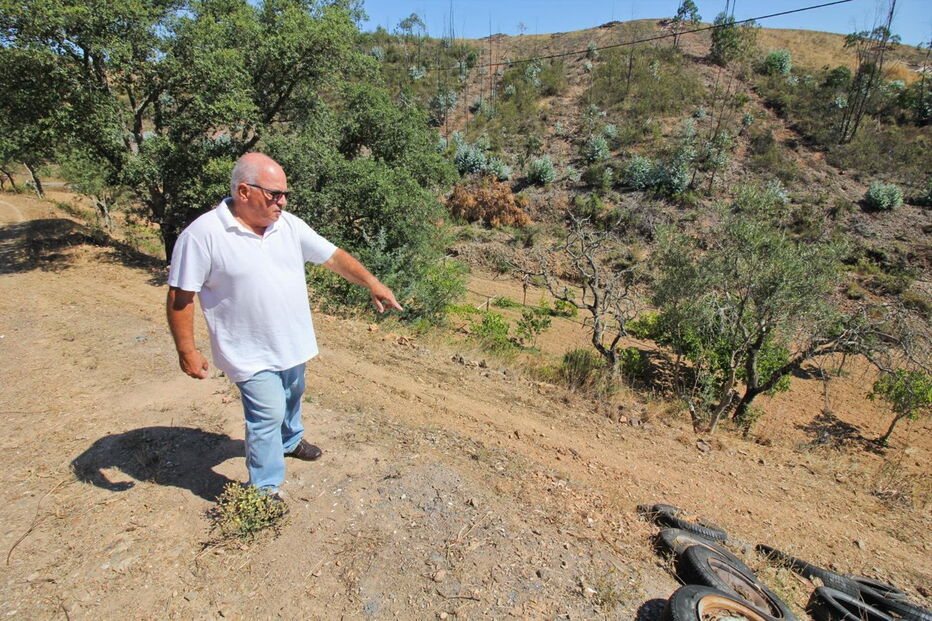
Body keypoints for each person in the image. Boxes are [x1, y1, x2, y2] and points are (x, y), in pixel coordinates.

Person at [166, 152, 402, 499]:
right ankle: (264, 489)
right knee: (267, 414)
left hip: (291, 341)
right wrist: (187, 350)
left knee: (292, 395)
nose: (283, 202)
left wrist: (372, 282)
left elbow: (333, 257)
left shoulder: (288, 226)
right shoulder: (203, 235)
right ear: (244, 191)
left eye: (285, 194)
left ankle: (290, 441)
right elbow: (180, 297)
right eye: (274, 194)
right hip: (246, 351)